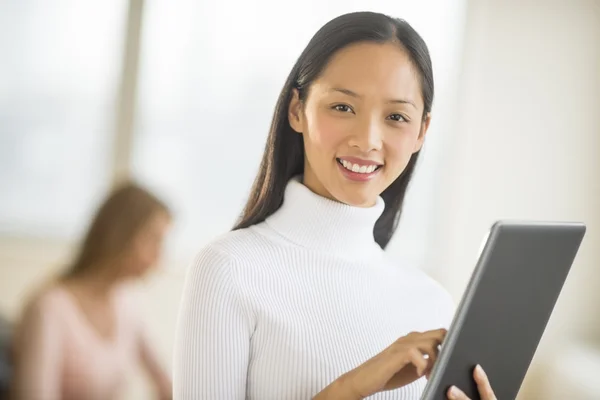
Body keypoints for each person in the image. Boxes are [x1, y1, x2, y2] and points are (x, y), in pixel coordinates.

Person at [173, 11, 497, 400]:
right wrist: (353, 386)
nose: (367, 140)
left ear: (421, 132)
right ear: (297, 110)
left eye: (396, 116)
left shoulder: (434, 305)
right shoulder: (229, 271)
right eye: (343, 107)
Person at [11, 182, 173, 400]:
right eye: (153, 240)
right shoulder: (49, 308)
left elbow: (166, 384)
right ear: (121, 236)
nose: (158, 260)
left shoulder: (126, 302)